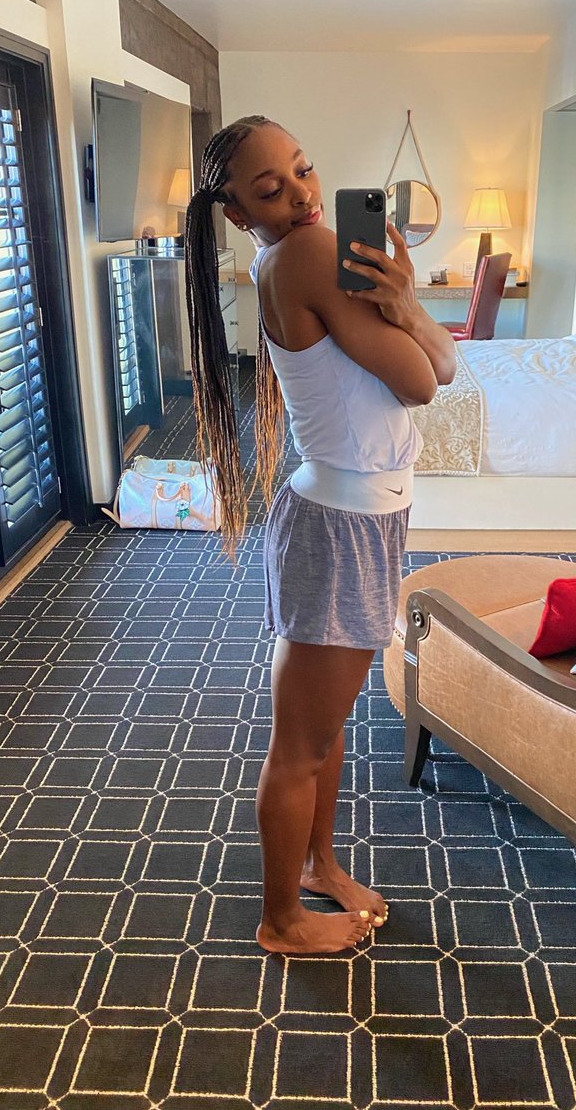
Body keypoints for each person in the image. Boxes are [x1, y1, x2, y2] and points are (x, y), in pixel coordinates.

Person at [184, 115, 456, 954]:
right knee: (300, 745)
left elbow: (441, 367)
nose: (302, 196)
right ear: (237, 212)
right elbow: (423, 379)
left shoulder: (293, 253)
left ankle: (319, 866)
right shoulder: (305, 253)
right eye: (271, 189)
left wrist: (404, 306)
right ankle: (282, 921)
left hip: (356, 516)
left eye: (304, 171)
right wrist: (407, 308)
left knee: (323, 728)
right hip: (339, 527)